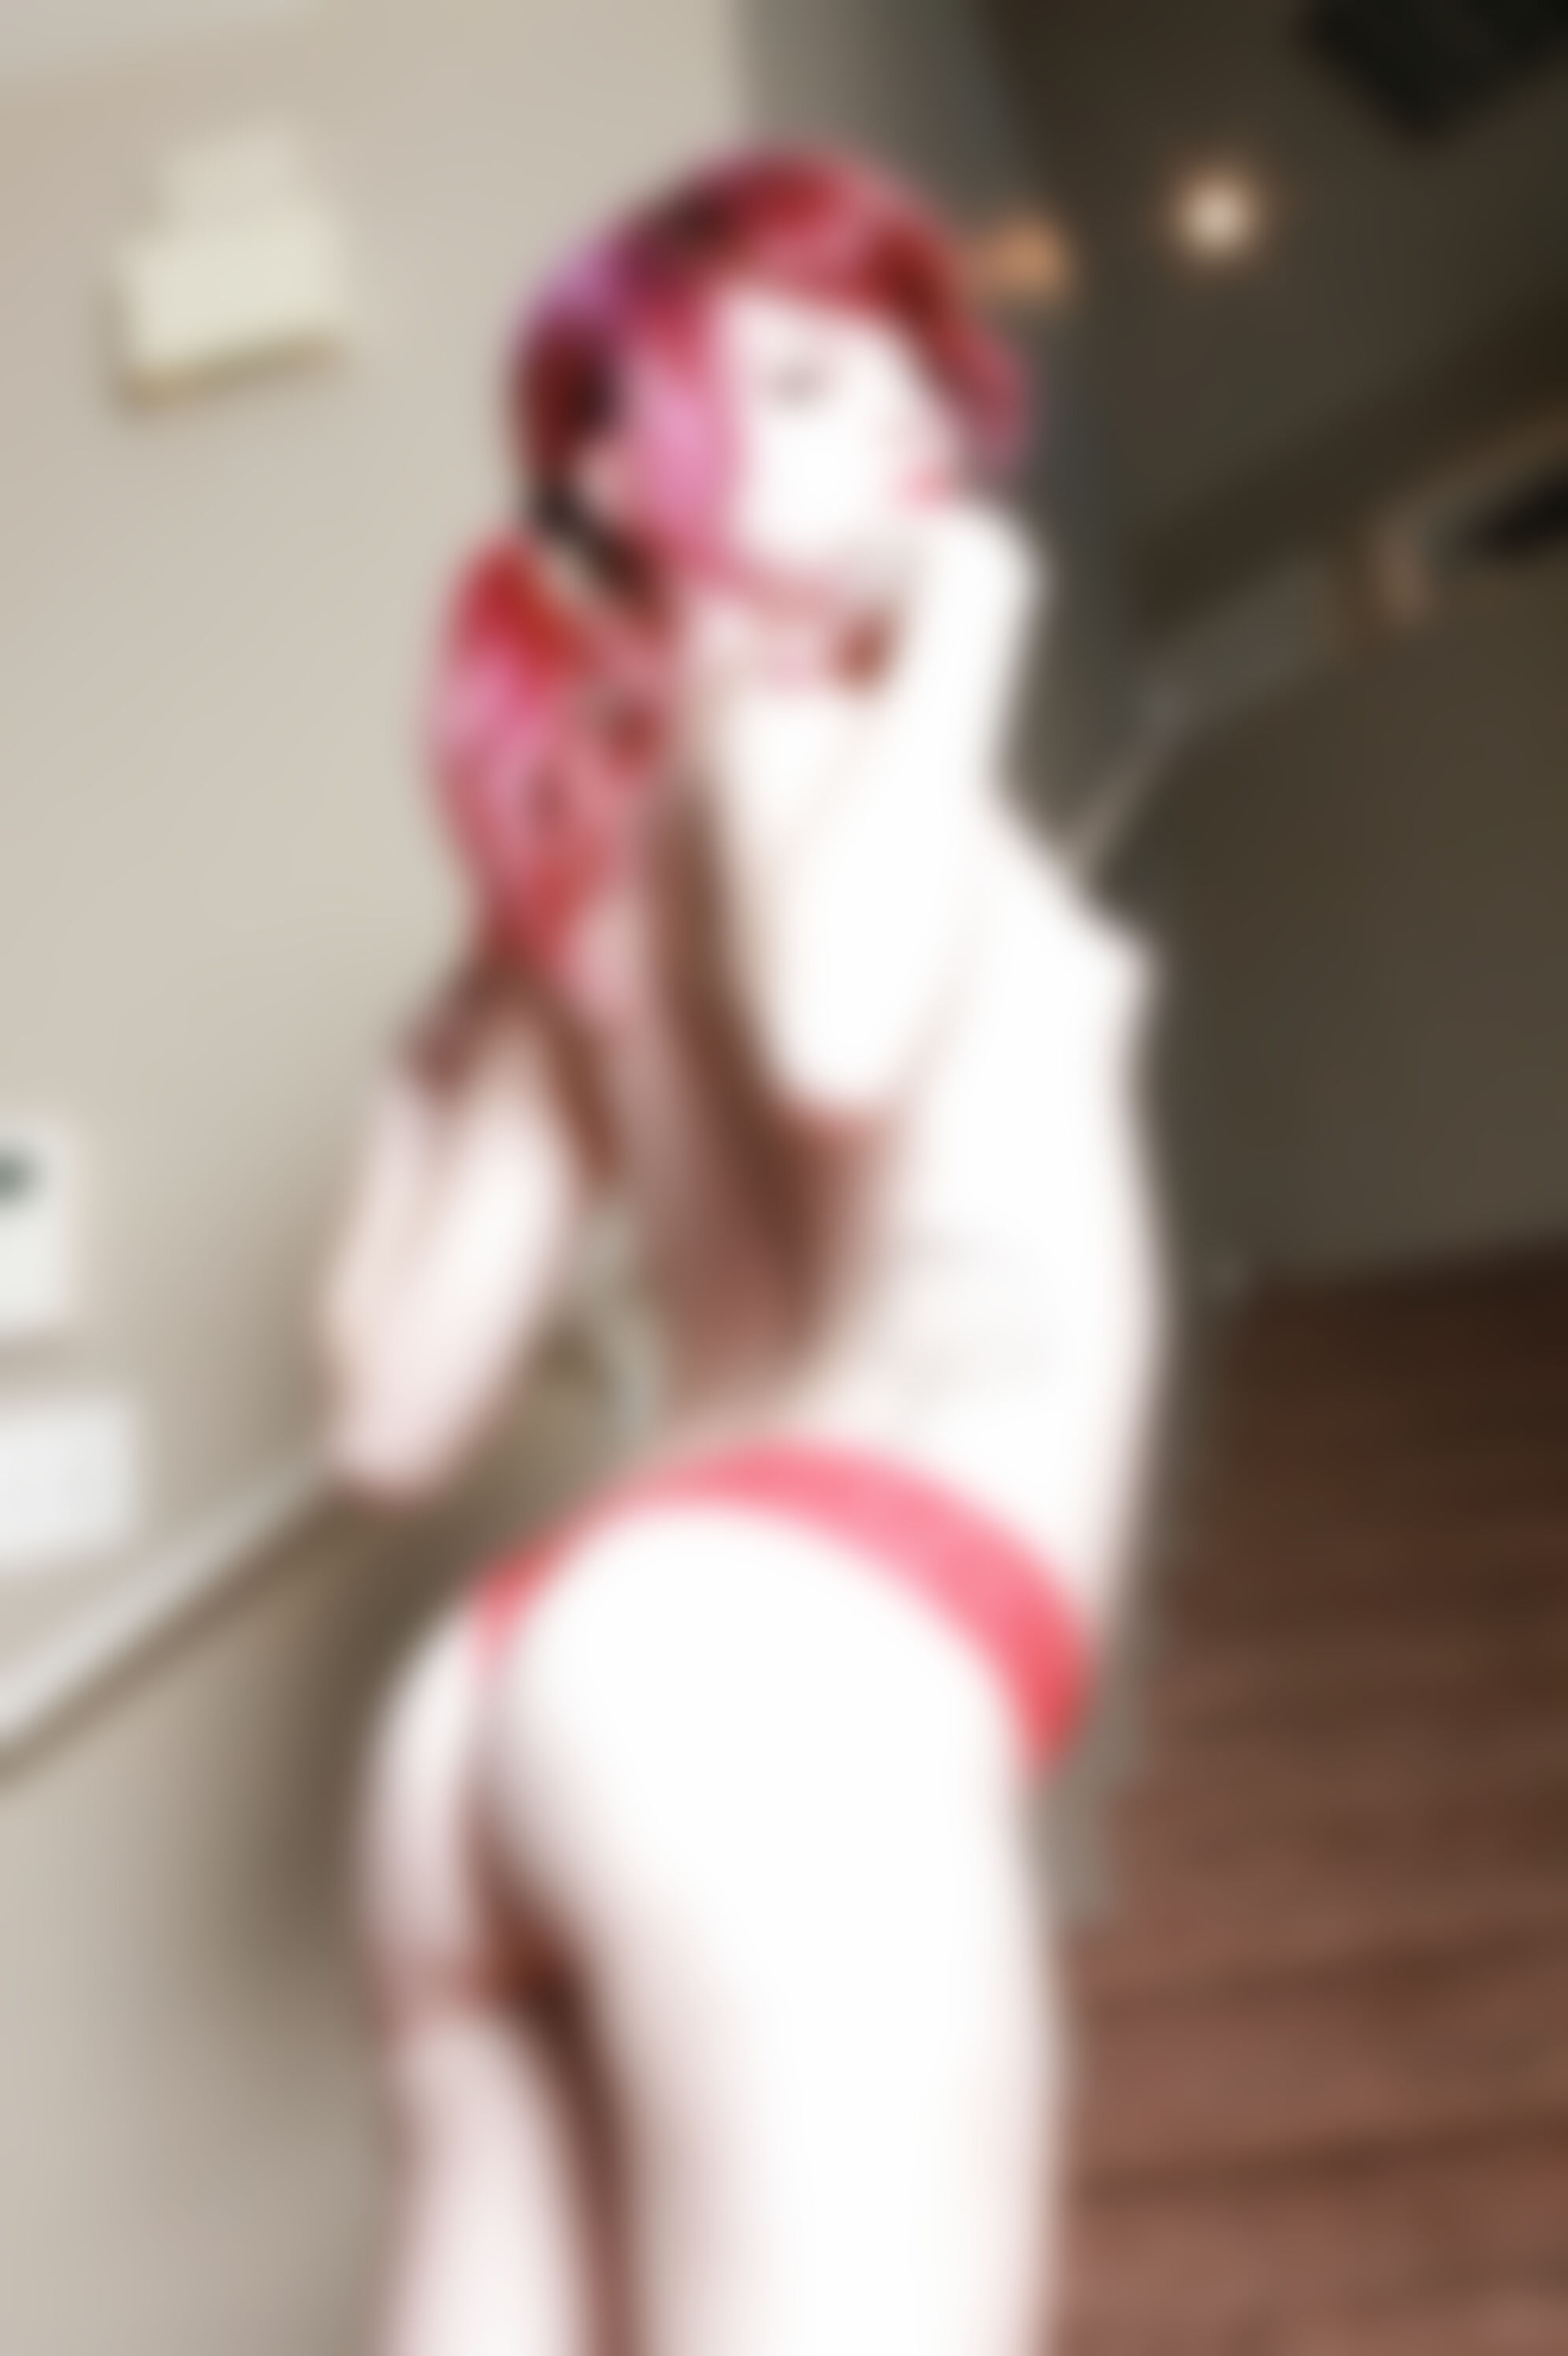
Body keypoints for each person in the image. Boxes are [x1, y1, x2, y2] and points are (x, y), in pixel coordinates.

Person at [315, 144, 1168, 2356]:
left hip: (505, 1712)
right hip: (794, 1660)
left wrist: (410, 1110)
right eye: (796, 380)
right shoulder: (794, 723)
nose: (897, 419)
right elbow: (837, 1035)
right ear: (621, 467)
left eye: (910, 375)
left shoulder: (579, 887)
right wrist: (977, 600)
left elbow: (389, 1426)